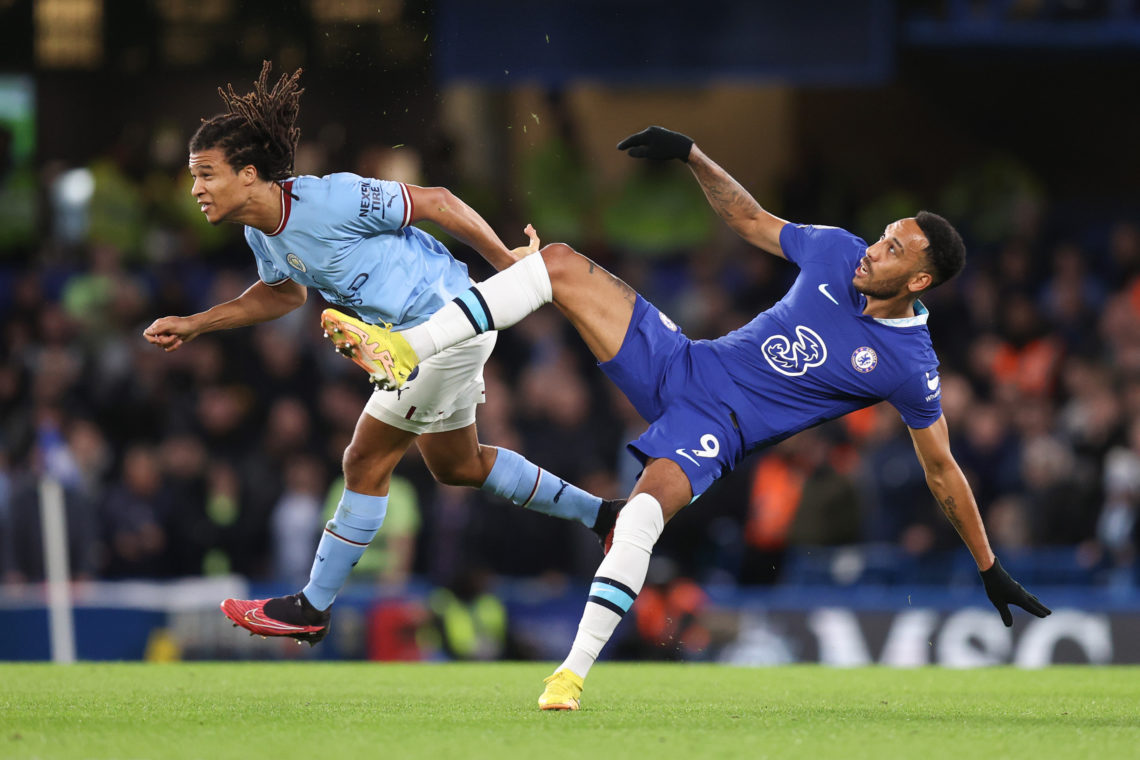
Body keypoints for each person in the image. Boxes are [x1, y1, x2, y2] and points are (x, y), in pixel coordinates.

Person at [346, 125, 1053, 709]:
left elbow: (941, 470)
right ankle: (406, 346)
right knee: (558, 262)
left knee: (642, 514)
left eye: (894, 250)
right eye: (883, 236)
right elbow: (749, 218)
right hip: (683, 363)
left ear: (921, 281)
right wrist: (692, 154)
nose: (875, 249)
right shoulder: (838, 250)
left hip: (720, 426)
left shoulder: (911, 365)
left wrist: (988, 567)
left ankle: (570, 675)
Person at [142, 62, 621, 645]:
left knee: (363, 463)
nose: (195, 188)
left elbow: (439, 202)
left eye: (206, 174)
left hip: (446, 323)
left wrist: (506, 270)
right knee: (457, 466)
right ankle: (605, 516)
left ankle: (311, 607)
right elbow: (284, 293)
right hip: (417, 345)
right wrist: (197, 324)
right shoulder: (260, 233)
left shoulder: (330, 199)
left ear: (248, 175)